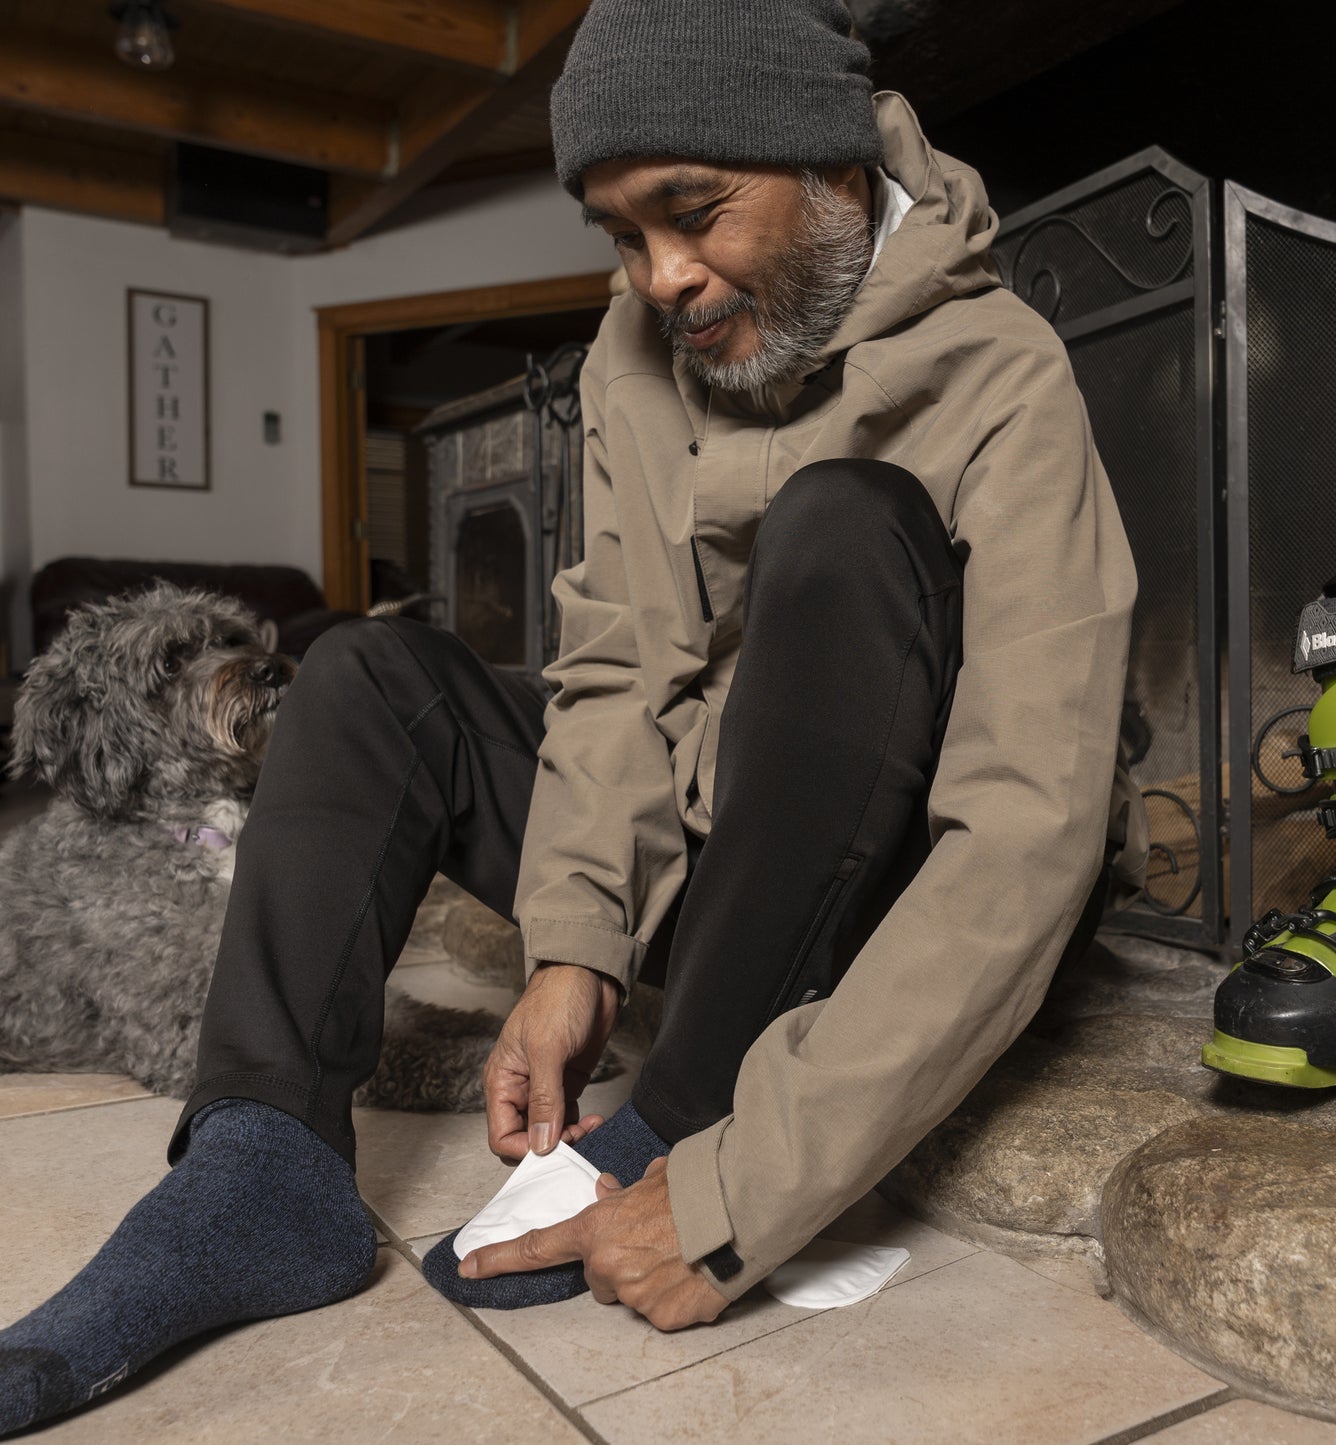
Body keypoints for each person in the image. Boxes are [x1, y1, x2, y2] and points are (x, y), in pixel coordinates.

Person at [0, 0, 1145, 1431]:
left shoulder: (1005, 375)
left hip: (880, 882)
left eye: (693, 210)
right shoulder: (635, 352)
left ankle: (672, 1111)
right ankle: (259, 1167)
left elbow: (1028, 831)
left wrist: (731, 1189)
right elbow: (610, 669)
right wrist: (573, 941)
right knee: (365, 674)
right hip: (717, 862)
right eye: (618, 231)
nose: (659, 273)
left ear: (830, 164)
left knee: (845, 524)